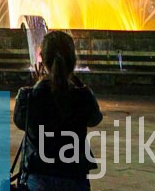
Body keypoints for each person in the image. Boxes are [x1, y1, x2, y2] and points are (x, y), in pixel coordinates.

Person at [14, 30, 103, 190]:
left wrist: (38, 83)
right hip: (74, 176)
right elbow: (95, 119)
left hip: (38, 175)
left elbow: (21, 123)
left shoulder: (27, 96)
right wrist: (79, 84)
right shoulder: (82, 96)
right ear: (73, 60)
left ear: (41, 59)